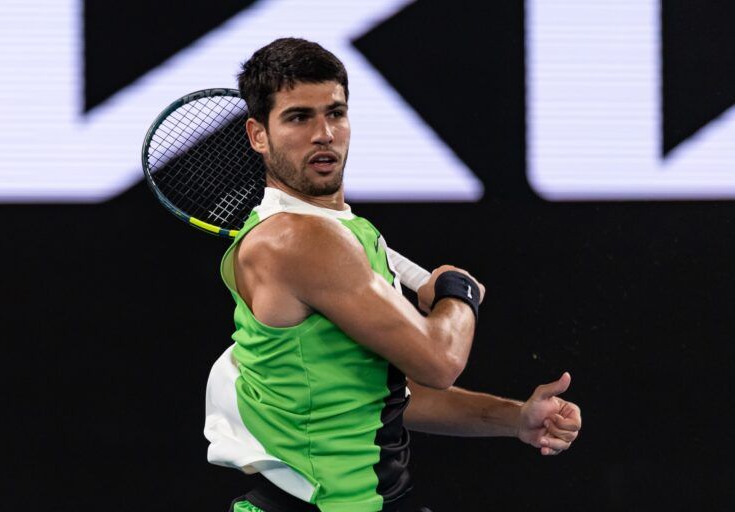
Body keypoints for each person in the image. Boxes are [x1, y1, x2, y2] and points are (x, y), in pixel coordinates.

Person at [203, 38, 582, 512]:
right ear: (258, 135)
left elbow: (386, 395)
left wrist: (516, 418)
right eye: (299, 117)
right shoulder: (298, 240)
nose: (324, 133)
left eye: (335, 113)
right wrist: (458, 292)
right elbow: (440, 361)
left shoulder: (340, 234)